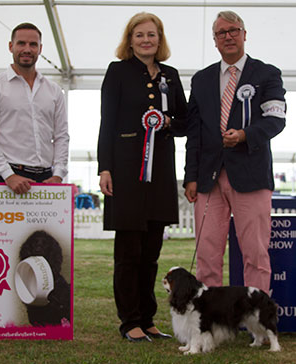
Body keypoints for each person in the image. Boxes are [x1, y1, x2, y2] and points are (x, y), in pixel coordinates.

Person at [98, 12, 187, 342]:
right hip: (125, 170)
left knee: (151, 252)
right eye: (140, 35)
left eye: (152, 35)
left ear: (160, 39)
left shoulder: (171, 75)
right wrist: (104, 167)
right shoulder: (117, 71)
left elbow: (185, 121)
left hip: (161, 171)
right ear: (130, 39)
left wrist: (165, 123)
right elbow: (106, 122)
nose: (146, 40)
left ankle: (148, 319)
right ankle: (129, 321)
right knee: (129, 253)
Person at [184, 11, 286, 294]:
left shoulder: (267, 74)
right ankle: (211, 328)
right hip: (207, 179)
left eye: (233, 30)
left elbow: (276, 120)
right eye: (221, 33)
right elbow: (194, 132)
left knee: (255, 254)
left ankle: (259, 325)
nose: (228, 36)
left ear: (244, 34)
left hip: (251, 176)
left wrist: (244, 135)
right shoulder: (202, 79)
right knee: (206, 255)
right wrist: (190, 176)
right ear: (214, 41)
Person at [0, 23, 69, 194]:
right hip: (5, 179)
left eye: (33, 44)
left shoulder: (53, 90)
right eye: (21, 43)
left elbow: (61, 136)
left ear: (40, 48)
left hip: (47, 178)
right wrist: (8, 175)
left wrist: (58, 174)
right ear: (10, 46)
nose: (27, 49)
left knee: (46, 223)